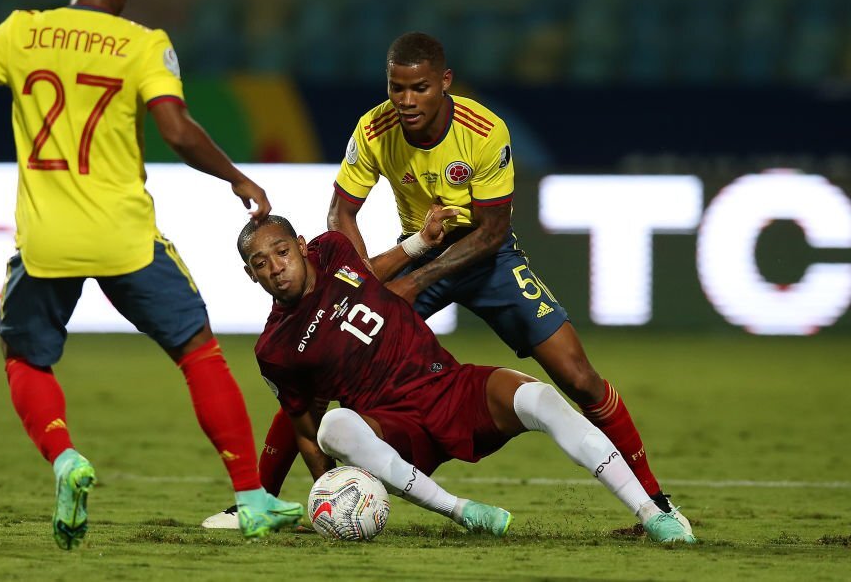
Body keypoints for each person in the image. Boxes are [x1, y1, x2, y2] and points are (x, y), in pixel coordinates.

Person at [0, 0, 302, 549]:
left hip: (46, 240)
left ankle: (64, 457)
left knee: (26, 359)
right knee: (199, 353)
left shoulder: (20, 31)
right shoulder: (144, 43)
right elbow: (175, 128)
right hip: (125, 238)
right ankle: (251, 497)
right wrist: (237, 177)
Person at [204, 31, 691, 538]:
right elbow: (341, 212)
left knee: (579, 377)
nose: (407, 101)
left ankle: (656, 503)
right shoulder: (373, 130)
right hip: (420, 245)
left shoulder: (484, 131)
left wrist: (418, 280)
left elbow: (494, 230)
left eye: (419, 88)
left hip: (485, 257)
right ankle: (255, 502)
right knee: (317, 354)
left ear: (444, 83)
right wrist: (358, 283)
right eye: (396, 88)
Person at [233, 214, 693, 543]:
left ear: (301, 246)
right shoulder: (274, 348)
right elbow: (306, 431)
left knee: (540, 397)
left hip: (446, 385)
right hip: (392, 426)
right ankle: (463, 511)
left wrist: (419, 243)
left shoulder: (334, 249)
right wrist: (327, 494)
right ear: (250, 276)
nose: (276, 267)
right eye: (260, 263)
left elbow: (367, 273)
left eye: (281, 252)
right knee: (334, 426)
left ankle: (653, 513)